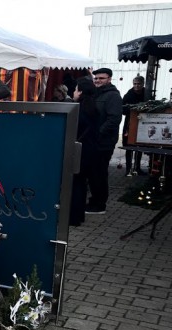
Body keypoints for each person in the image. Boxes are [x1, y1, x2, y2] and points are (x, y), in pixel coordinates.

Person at [86, 67, 122, 215]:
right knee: (93, 173)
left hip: (103, 142)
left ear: (109, 79)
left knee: (99, 173)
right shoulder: (96, 94)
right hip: (94, 141)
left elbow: (114, 119)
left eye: (101, 78)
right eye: (96, 78)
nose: (98, 81)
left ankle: (99, 204)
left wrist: (98, 133)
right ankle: (94, 201)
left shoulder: (113, 96)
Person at [69, 77, 99, 226]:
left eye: (75, 89)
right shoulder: (93, 107)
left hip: (78, 150)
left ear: (80, 92)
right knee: (81, 183)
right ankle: (78, 216)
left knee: (74, 184)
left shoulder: (78, 109)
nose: (73, 92)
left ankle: (72, 218)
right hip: (89, 150)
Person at [122, 76, 145, 176]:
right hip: (130, 123)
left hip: (143, 123)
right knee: (129, 147)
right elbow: (122, 109)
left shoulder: (146, 94)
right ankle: (128, 169)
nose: (136, 86)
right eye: (135, 84)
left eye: (138, 84)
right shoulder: (128, 95)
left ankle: (137, 167)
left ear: (143, 84)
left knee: (139, 147)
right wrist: (134, 110)